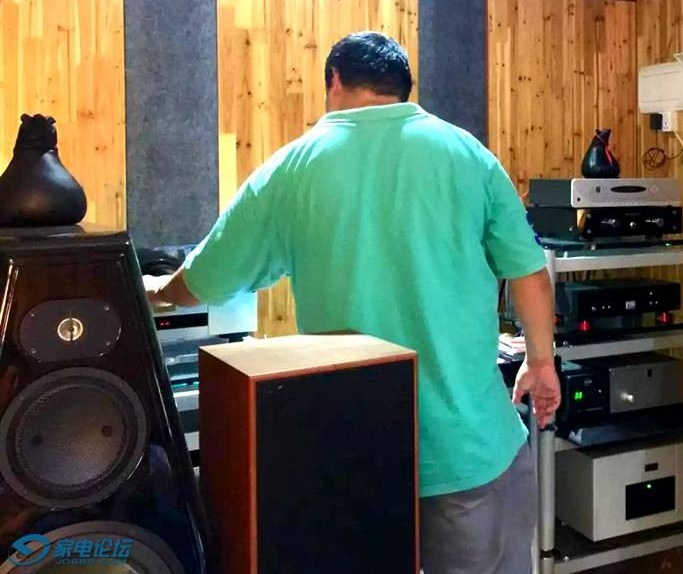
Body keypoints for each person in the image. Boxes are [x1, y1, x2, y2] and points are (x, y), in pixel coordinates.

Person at [145, 31, 561, 574]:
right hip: (470, 450)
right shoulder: (468, 154)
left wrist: (157, 292)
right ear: (404, 87)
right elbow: (529, 273)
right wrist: (541, 361)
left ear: (334, 80)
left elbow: (204, 281)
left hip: (355, 459)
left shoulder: (291, 168)